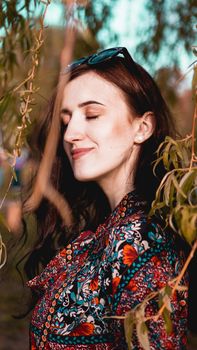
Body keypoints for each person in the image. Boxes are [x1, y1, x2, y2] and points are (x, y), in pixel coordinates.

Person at [25, 47, 188, 349]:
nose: (70, 133)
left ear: (142, 128)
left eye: (92, 114)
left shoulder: (141, 243)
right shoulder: (107, 230)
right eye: (66, 120)